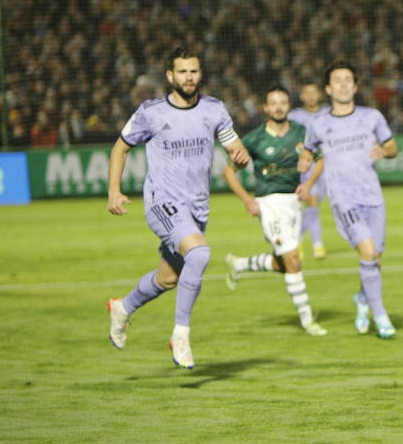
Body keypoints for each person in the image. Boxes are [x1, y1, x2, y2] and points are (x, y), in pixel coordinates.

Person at [106, 48, 250, 369]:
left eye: (194, 72)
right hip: (162, 202)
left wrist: (239, 157)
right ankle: (181, 335)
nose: (189, 78)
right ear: (170, 76)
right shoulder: (151, 113)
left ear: (200, 74)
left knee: (169, 278)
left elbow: (235, 148)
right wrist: (114, 191)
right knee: (199, 254)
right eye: (182, 72)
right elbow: (120, 148)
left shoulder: (214, 109)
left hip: (197, 208)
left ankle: (123, 308)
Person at [297, 64, 399, 338]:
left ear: (355, 86)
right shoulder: (319, 124)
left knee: (375, 257)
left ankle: (363, 300)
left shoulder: (371, 117)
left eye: (347, 80)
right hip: (344, 199)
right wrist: (305, 160)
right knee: (367, 252)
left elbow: (392, 146)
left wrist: (385, 151)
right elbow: (308, 151)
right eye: (336, 81)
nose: (342, 85)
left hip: (372, 196)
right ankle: (381, 317)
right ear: (328, 89)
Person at [221, 86, 327, 336]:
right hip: (269, 203)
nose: (279, 106)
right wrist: (247, 199)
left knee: (284, 263)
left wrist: (308, 184)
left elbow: (320, 159)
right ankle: (307, 319)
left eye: (283, 102)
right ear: (265, 108)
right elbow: (228, 171)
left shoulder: (302, 133)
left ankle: (240, 264)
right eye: (273, 103)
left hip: (293, 203)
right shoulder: (255, 139)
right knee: (293, 259)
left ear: (288, 106)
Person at [288, 83, 329, 259]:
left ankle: (296, 240)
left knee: (314, 204)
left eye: (314, 92)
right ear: (302, 96)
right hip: (306, 165)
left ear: (320, 94)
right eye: (307, 93)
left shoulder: (329, 112)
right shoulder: (294, 116)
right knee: (311, 202)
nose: (311, 96)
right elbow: (289, 138)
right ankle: (317, 245)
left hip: (327, 165)